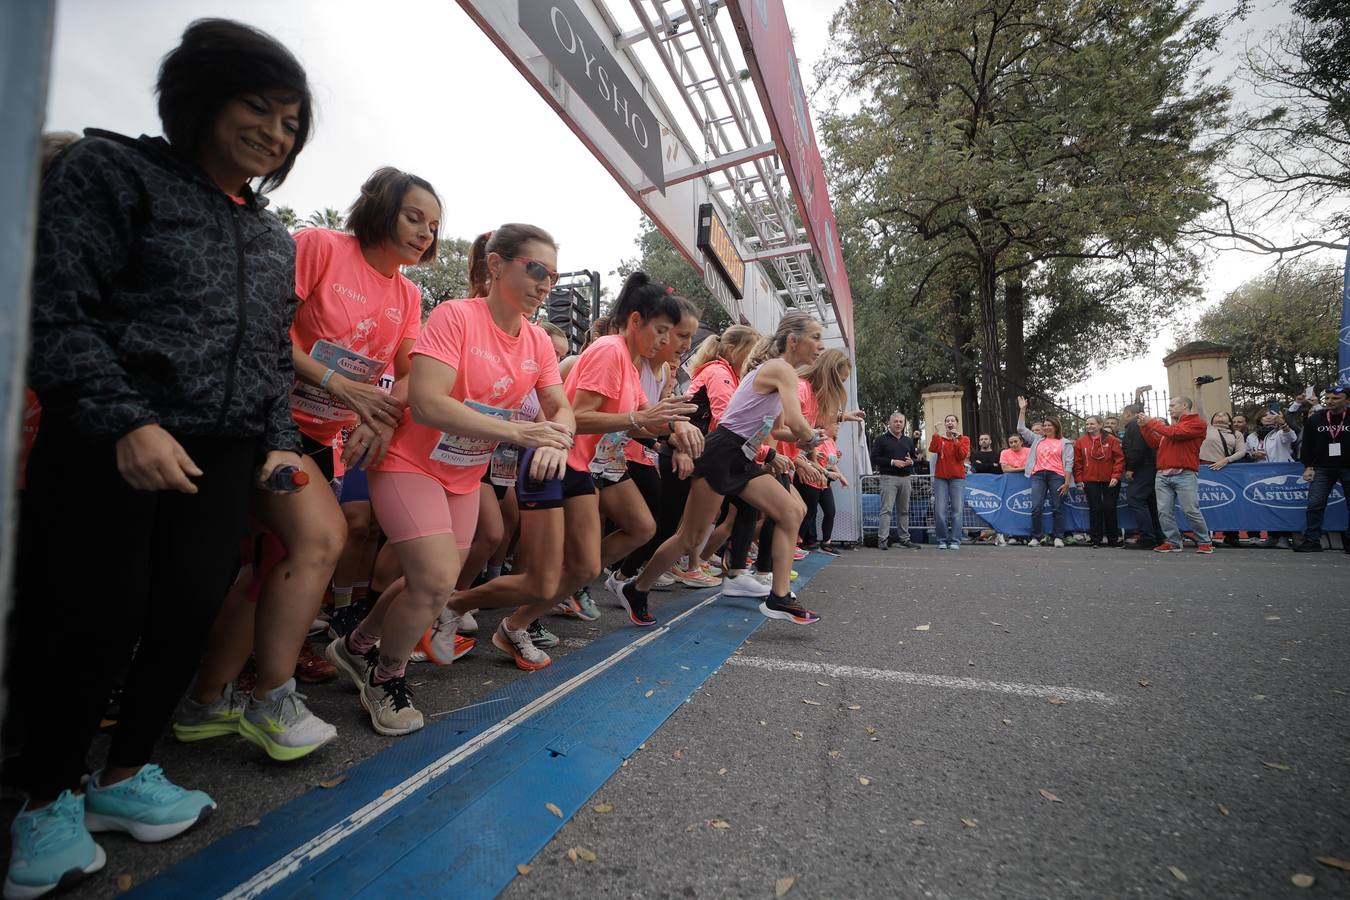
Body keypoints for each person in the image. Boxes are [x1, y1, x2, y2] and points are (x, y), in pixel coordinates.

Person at [6, 19, 313, 898]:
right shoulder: (109, 173)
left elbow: (263, 355)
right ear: (200, 98)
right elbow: (55, 312)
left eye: (291, 121)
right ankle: (47, 799)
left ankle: (126, 773)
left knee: (187, 608)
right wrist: (124, 422)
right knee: (93, 616)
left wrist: (279, 447)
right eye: (258, 106)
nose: (274, 132)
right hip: (113, 442)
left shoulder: (270, 233)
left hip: (222, 455)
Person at [178, 167, 437, 761]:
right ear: (380, 208)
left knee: (272, 566)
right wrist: (342, 385)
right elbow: (265, 330)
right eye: (414, 216)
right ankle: (271, 697)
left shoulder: (409, 294)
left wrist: (378, 415)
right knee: (321, 539)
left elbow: (410, 376)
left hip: (322, 438)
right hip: (262, 422)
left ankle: (205, 701)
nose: (426, 233)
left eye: (434, 225)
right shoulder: (320, 246)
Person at [325, 223, 574, 734]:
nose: (546, 283)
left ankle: (355, 646)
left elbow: (562, 408)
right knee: (437, 577)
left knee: (432, 584)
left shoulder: (538, 342)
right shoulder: (456, 316)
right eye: (536, 269)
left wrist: (558, 437)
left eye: (553, 274)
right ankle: (384, 676)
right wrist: (521, 433)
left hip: (464, 472)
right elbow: (429, 402)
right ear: (496, 265)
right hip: (408, 461)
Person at [613, 312, 829, 625]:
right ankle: (637, 587)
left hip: (742, 456)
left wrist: (807, 438)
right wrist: (810, 440)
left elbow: (783, 428)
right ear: (793, 341)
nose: (820, 345)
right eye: (816, 337)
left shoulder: (783, 374)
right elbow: (796, 424)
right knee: (689, 537)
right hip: (722, 452)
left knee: (791, 512)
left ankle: (779, 596)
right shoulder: (780, 369)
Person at [1139, 390, 1213, 554]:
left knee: (1191, 510)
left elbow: (1175, 434)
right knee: (1164, 512)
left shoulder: (1197, 424)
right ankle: (1173, 542)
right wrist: (1144, 428)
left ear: (1184, 405)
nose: (1169, 409)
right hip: (1163, 475)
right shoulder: (1172, 427)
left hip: (1185, 474)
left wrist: (1150, 422)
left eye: (1173, 405)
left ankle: (1204, 541)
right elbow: (1155, 443)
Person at [1294, 384, 1350, 553]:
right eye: (1327, 398)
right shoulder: (1315, 419)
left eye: (1335, 399)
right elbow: (1307, 446)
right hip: (1321, 468)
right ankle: (1312, 540)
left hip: (1348, 467)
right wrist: (1308, 466)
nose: (1329, 401)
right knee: (1315, 504)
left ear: (1347, 400)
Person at [1015, 397, 1075, 547]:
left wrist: (1067, 482)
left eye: (1050, 425)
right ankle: (1036, 537)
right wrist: (1022, 410)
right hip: (1038, 476)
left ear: (1056, 427)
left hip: (1057, 476)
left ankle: (1058, 537)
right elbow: (1021, 429)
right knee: (1036, 507)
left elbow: (1069, 463)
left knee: (1057, 507)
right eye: (1045, 425)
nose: (1047, 427)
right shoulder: (1037, 439)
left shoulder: (1065, 443)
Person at [1073, 416, 1124, 547]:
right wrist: (1079, 479)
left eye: (1092, 424)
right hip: (1090, 480)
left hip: (1110, 480)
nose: (1089, 426)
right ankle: (1096, 539)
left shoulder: (1111, 439)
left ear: (1100, 425)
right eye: (1087, 424)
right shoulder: (1081, 441)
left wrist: (1116, 476)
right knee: (1095, 509)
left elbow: (1119, 459)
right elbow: (1078, 462)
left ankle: (1113, 539)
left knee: (1110, 508)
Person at [871, 413, 918, 549]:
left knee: (904, 510)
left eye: (901, 422)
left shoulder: (908, 440)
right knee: (886, 510)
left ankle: (904, 539)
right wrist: (892, 462)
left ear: (904, 424)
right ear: (890, 423)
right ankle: (882, 540)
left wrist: (912, 462)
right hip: (888, 479)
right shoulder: (881, 439)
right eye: (896, 421)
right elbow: (874, 458)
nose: (898, 424)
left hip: (906, 479)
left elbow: (915, 458)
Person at [1121, 402, 1163, 548]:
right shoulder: (1140, 424)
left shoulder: (1134, 425)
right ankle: (1158, 536)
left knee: (1135, 499)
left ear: (1127, 414)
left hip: (1142, 468)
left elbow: (1137, 448)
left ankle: (1147, 538)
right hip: (1149, 467)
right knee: (1150, 502)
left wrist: (1131, 468)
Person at [928, 415, 970, 549]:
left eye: (952, 420)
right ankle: (942, 539)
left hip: (957, 478)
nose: (950, 423)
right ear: (945, 424)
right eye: (947, 421)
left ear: (957, 423)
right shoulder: (940, 439)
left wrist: (957, 439)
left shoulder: (964, 439)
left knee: (957, 510)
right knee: (940, 510)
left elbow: (962, 455)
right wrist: (935, 433)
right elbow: (933, 449)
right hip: (941, 478)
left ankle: (955, 540)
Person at [996, 433, 1031, 546]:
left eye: (1016, 441)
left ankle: (1027, 535)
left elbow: (1031, 467)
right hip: (1011, 485)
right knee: (1012, 509)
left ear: (1021, 442)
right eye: (1011, 442)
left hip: (1027, 484)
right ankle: (1013, 535)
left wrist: (1014, 468)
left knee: (1026, 509)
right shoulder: (1004, 452)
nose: (1013, 444)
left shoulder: (1029, 451)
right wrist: (1023, 468)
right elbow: (1005, 469)